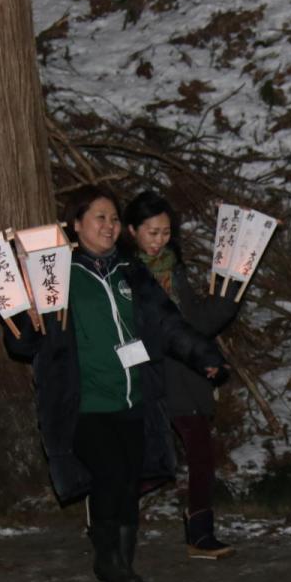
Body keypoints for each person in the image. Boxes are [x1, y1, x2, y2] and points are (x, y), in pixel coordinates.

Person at [6, 184, 224, 582]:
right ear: (75, 224)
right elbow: (24, 342)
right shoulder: (56, 275)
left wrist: (204, 355)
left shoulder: (131, 271)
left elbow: (167, 323)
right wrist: (19, 319)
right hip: (85, 402)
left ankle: (124, 562)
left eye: (113, 218)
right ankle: (109, 561)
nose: (109, 226)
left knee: (128, 478)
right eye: (99, 218)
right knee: (109, 473)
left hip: (133, 397)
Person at [124, 190, 239, 560]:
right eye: (151, 232)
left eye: (165, 232)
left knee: (201, 452)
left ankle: (200, 531)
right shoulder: (123, 274)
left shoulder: (175, 268)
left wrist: (230, 293)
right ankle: (109, 520)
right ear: (131, 231)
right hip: (147, 376)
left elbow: (196, 324)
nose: (160, 240)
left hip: (185, 377)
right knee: (141, 458)